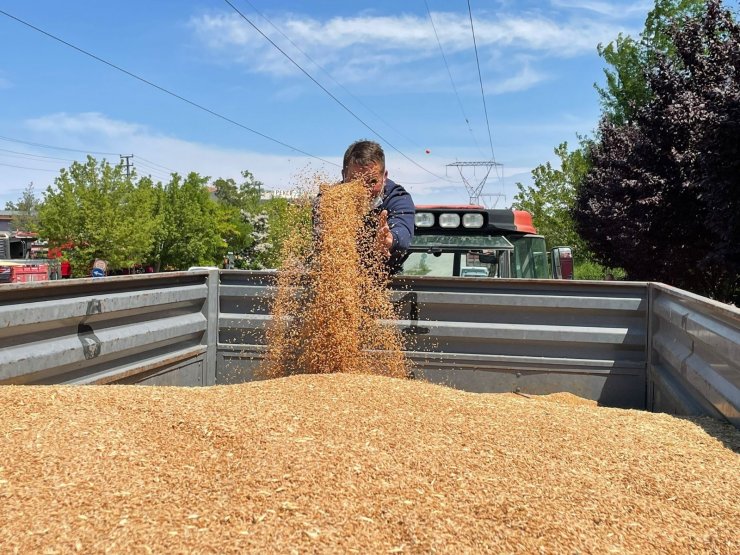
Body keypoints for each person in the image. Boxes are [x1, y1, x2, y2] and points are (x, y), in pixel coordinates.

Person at [339, 140, 415, 275]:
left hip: (385, 276)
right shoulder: (330, 200)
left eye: (372, 182)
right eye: (355, 181)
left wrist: (390, 239)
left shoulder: (397, 198)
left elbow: (403, 230)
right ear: (344, 176)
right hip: (340, 276)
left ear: (384, 177)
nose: (363, 190)